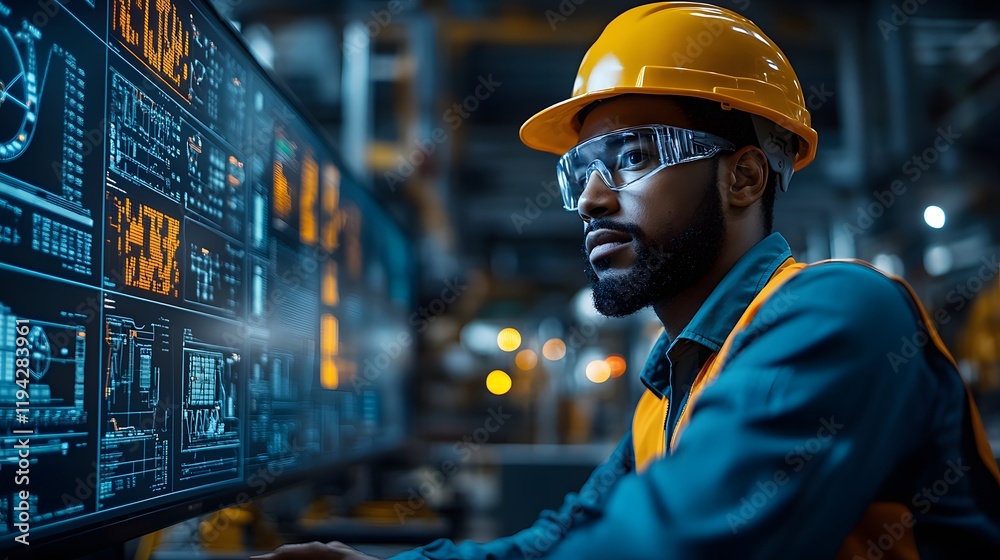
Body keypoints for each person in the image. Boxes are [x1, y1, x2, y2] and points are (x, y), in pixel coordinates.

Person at [252, 3, 1000, 559]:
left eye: (635, 157)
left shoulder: (842, 312)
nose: (588, 198)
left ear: (743, 176)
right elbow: (569, 537)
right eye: (579, 169)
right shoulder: (670, 384)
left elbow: (667, 547)